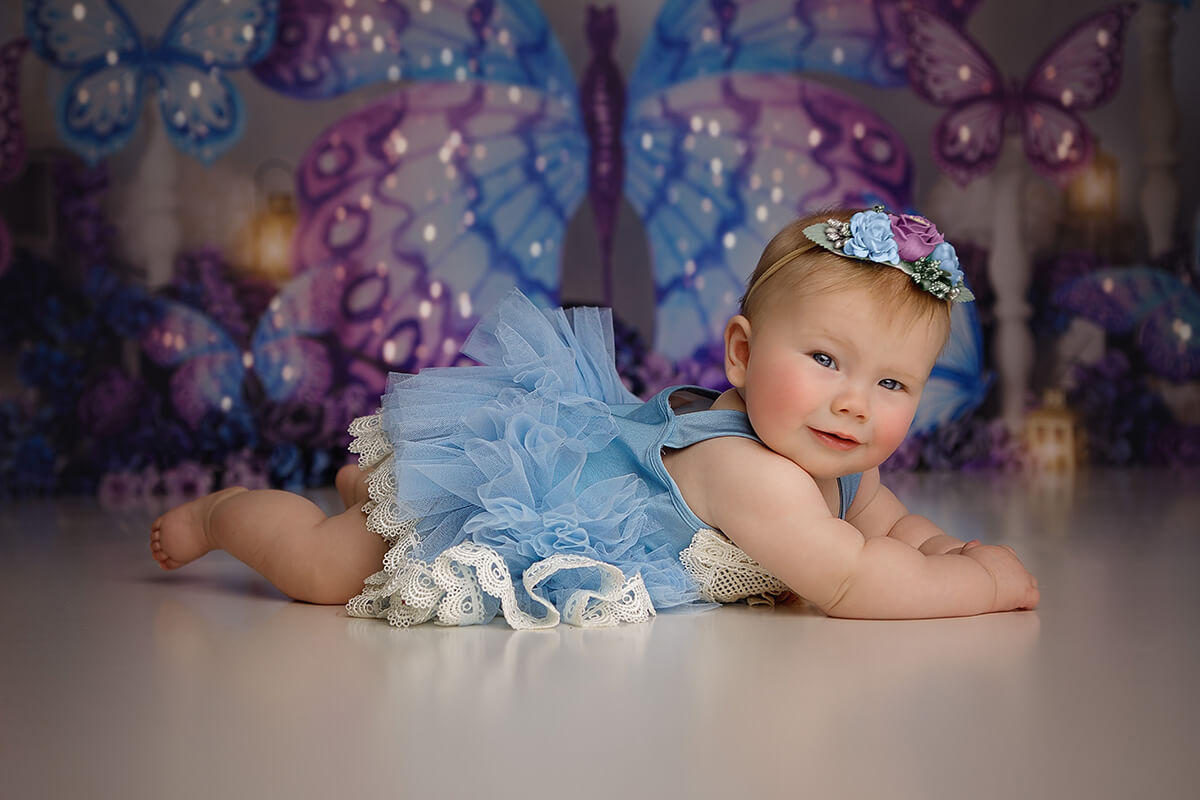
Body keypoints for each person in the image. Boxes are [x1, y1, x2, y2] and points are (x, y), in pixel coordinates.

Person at [150, 207, 1039, 629]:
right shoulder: (756, 475)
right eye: (826, 360)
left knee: (374, 516)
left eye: (894, 386)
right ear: (740, 353)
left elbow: (879, 522)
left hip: (573, 467)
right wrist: (982, 585)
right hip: (524, 509)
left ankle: (377, 490)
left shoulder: (834, 456)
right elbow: (846, 582)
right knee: (322, 567)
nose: (855, 401)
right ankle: (226, 513)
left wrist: (941, 547)